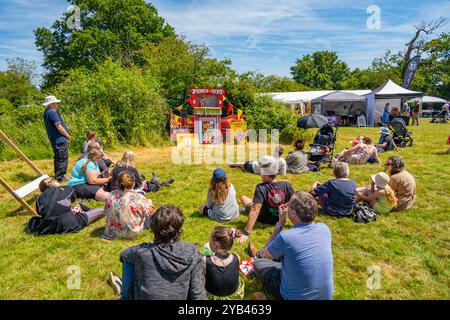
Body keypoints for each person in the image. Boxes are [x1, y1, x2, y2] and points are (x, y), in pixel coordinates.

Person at [249, 191, 334, 300]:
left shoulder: (286, 237)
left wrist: (280, 225)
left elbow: (266, 253)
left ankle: (257, 254)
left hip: (292, 297)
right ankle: (259, 253)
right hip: (325, 296)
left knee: (258, 263)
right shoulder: (325, 228)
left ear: (293, 213)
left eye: (288, 205)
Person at [110, 205, 207, 300]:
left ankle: (125, 295)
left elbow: (123, 255)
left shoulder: (141, 252)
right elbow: (198, 294)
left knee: (129, 260)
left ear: (153, 227)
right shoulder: (193, 253)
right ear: (179, 227)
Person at [238, 156, 294, 243]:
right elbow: (294, 203)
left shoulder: (261, 188)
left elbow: (255, 211)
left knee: (243, 198)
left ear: (266, 175)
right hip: (278, 219)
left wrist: (246, 232)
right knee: (253, 201)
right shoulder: (286, 185)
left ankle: (244, 208)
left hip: (263, 218)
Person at [32, 178, 105, 234]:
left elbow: (40, 212)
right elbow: (72, 200)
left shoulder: (39, 198)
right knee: (101, 210)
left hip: (50, 227)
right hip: (71, 224)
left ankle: (86, 211)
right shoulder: (67, 189)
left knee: (74, 207)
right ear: (54, 182)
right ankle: (89, 211)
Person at [102, 171, 155, 240]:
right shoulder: (138, 197)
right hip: (131, 232)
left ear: (118, 182)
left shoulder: (111, 195)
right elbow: (147, 212)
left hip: (112, 231)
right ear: (133, 182)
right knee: (150, 211)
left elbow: (105, 212)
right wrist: (150, 204)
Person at [203, 227, 244, 300]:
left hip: (214, 297)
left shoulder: (205, 260)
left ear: (215, 245)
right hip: (234, 297)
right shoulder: (237, 257)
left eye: (210, 240)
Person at [42, 95, 72, 182]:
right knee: (62, 157)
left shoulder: (47, 112)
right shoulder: (52, 112)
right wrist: (67, 135)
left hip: (55, 139)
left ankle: (58, 175)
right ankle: (60, 177)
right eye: (56, 103)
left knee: (58, 157)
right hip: (59, 139)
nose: (57, 104)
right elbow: (59, 127)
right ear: (51, 104)